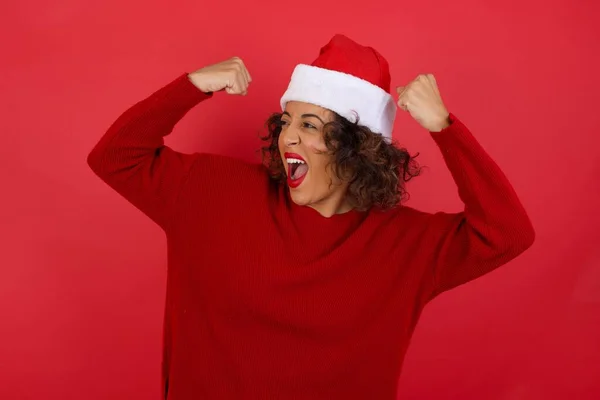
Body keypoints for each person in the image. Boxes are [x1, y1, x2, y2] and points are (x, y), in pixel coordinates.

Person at [87, 34, 535, 399]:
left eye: (310, 126)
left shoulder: (408, 246)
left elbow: (507, 233)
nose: (288, 139)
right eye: (287, 121)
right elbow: (115, 158)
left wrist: (445, 129)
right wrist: (190, 86)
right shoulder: (212, 191)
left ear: (359, 149)